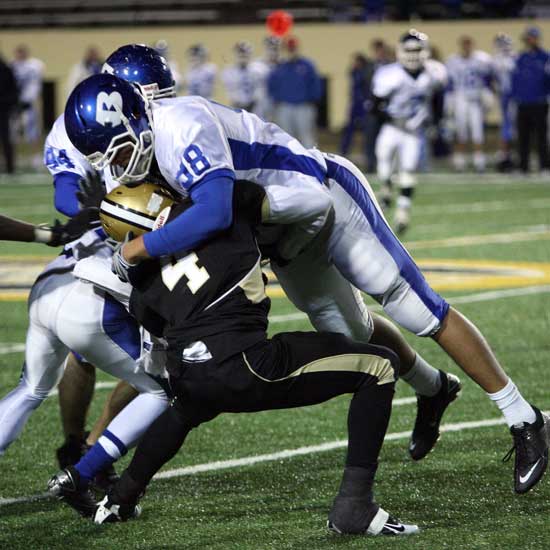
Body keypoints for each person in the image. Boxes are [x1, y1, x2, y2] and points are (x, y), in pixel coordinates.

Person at [65, 73, 549, 494]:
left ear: (136, 117)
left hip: (323, 198)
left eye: (123, 150)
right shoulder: (141, 146)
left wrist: (140, 248)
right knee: (352, 335)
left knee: (414, 307)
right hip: (281, 234)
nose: (120, 167)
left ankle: (523, 418)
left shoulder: (180, 125)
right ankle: (433, 387)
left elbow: (215, 210)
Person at [51, 181, 418, 536]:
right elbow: (295, 201)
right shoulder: (220, 207)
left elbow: (156, 325)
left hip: (192, 375)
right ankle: (354, 506)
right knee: (380, 367)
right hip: (249, 365)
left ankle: (119, 500)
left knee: (184, 408)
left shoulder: (142, 286)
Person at [43, 44, 176, 470]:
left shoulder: (170, 124)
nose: (151, 109)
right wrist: (99, 208)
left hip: (155, 239)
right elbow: (67, 192)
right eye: (145, 97)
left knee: (160, 349)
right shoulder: (80, 122)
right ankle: (74, 444)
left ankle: (96, 442)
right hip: (103, 242)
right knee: (85, 346)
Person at [372, 30, 447, 234]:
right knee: (384, 165)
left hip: (414, 131)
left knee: (408, 170)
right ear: (400, 51)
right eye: (409, 50)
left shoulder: (434, 73)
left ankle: (403, 212)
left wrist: (436, 122)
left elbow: (438, 99)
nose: (413, 54)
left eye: (417, 49)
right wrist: (384, 116)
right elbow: (375, 104)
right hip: (392, 126)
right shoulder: (389, 74)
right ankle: (386, 190)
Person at [446, 36, 493, 172]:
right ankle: (460, 162)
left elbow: (487, 79)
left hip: (475, 99)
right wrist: (449, 101)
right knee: (461, 131)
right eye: (464, 44)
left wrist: (487, 94)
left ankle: (479, 162)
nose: (466, 47)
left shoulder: (481, 59)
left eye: (468, 44)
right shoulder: (453, 60)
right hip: (460, 98)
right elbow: (449, 83)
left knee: (477, 131)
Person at [268, 36, 322, 148]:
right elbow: (271, 85)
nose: (291, 51)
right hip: (284, 107)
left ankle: (310, 163)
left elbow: (315, 85)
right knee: (286, 137)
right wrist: (276, 101)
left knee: (306, 136)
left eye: (293, 48)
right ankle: (289, 165)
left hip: (303, 106)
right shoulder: (279, 66)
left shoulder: (307, 65)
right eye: (289, 48)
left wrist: (312, 101)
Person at [510, 26, 550, 175]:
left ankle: (544, 166)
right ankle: (523, 167)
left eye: (531, 37)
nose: (529, 40)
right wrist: (515, 97)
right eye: (528, 38)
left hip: (539, 102)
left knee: (541, 136)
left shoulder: (545, 57)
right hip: (523, 102)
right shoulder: (521, 57)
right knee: (523, 136)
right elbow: (515, 80)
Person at [340, 53, 375, 170]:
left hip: (364, 105)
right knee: (349, 130)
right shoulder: (354, 72)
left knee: (367, 132)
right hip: (355, 104)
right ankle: (343, 152)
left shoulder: (366, 72)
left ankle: (369, 157)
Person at [11, 45, 45, 146]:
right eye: (19, 53)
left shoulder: (34, 65)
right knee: (14, 122)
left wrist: (32, 95)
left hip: (29, 98)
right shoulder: (12, 65)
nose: (20, 55)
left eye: (22, 52)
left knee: (31, 121)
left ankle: (32, 142)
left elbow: (36, 82)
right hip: (14, 98)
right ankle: (14, 142)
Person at [491, 33, 516, 172]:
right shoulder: (495, 60)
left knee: (513, 127)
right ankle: (506, 156)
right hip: (505, 97)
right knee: (507, 127)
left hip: (516, 97)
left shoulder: (514, 58)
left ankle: (509, 155)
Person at [221, 42, 265, 111]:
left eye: (245, 55)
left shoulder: (259, 69)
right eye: (241, 55)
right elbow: (230, 91)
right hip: (237, 105)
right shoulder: (228, 71)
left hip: (255, 106)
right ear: (235, 55)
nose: (243, 58)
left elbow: (261, 89)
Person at [0, 53, 18, 174]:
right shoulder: (6, 69)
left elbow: (13, 90)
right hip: (5, 108)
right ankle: (10, 167)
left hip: (3, 109)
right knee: (6, 138)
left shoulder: (6, 70)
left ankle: (10, 167)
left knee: (6, 139)